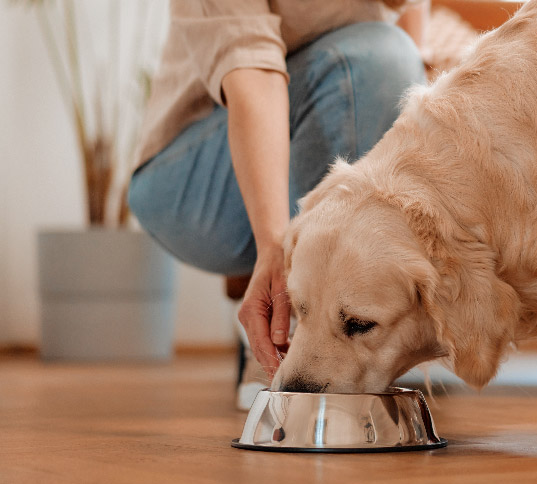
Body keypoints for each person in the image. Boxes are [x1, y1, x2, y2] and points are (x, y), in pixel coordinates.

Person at [127, 1, 427, 398]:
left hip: (333, 98)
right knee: (376, 59)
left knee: (392, 58)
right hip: (189, 178)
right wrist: (277, 247)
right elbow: (253, 73)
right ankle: (286, 337)